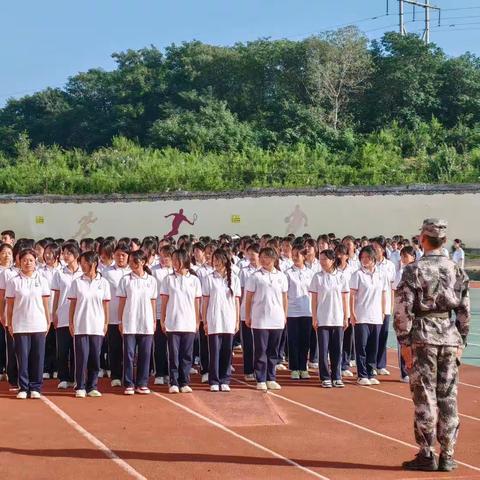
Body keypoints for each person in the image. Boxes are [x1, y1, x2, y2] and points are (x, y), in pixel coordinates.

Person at [394, 219, 470, 472]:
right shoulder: (456, 270)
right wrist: (461, 339)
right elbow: (463, 309)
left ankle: (427, 454)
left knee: (425, 397)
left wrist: (404, 342)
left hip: (423, 338)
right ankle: (448, 454)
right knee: (448, 397)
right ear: (445, 241)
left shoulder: (414, 269)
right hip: (448, 336)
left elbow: (403, 309)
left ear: (422, 239)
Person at [5, 249, 50, 399]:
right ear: (19, 261)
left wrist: (48, 320)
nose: (27, 263)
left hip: (38, 323)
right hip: (20, 325)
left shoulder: (42, 280)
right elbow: (10, 306)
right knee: (22, 357)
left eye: (31, 260)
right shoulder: (14, 281)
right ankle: (23, 387)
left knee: (37, 357)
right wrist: (9, 323)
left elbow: (45, 303)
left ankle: (36, 386)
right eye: (24, 260)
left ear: (35, 261)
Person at [68, 251, 110, 398]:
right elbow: (73, 304)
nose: (82, 265)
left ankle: (92, 386)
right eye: (81, 263)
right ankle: (80, 386)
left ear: (94, 263)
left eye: (85, 262)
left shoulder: (103, 283)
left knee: (95, 357)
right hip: (81, 324)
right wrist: (71, 322)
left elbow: (105, 305)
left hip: (97, 325)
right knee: (81, 357)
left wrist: (106, 322)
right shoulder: (77, 282)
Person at [245, 247, 288, 391]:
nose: (263, 260)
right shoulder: (255, 276)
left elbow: (284, 297)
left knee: (273, 351)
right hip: (260, 319)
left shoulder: (281, 276)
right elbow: (249, 297)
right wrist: (248, 315)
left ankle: (271, 377)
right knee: (261, 350)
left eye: (266, 257)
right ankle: (261, 378)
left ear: (273, 259)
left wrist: (284, 315)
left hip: (277, 318)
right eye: (261, 257)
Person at [160, 249, 202, 394]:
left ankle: (184, 381)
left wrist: (197, 321)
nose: (175, 263)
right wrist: (163, 319)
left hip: (189, 322)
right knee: (173, 354)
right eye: (173, 260)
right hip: (173, 322)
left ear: (185, 260)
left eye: (178, 260)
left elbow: (197, 302)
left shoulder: (194, 280)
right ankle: (174, 382)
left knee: (186, 355)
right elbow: (164, 301)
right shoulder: (168, 279)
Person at [117, 250, 157, 395]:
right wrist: (120, 320)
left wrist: (153, 320)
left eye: (136, 261)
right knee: (129, 354)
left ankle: (142, 382)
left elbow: (153, 301)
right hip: (130, 321)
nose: (133, 264)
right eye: (131, 261)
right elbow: (122, 302)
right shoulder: (126, 280)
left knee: (145, 354)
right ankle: (128, 382)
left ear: (143, 262)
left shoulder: (151, 281)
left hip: (146, 322)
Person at [202, 249, 241, 392]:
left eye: (218, 259)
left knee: (226, 350)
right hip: (214, 319)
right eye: (214, 260)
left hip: (228, 319)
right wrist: (205, 320)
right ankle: (214, 380)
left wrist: (237, 320)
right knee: (214, 351)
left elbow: (236, 301)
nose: (216, 262)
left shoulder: (234, 279)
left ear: (225, 260)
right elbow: (205, 301)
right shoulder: (209, 278)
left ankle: (225, 379)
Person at [310, 250, 349, 388]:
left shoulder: (341, 276)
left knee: (337, 349)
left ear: (332, 260)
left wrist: (346, 316)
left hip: (337, 318)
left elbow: (345, 298)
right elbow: (314, 300)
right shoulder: (317, 277)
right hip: (322, 319)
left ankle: (336, 376)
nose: (321, 262)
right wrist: (314, 317)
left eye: (324, 259)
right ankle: (325, 377)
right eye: (320, 259)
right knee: (323, 349)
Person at [349, 246, 387, 386]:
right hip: (361, 316)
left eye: (367, 257)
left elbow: (384, 294)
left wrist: (383, 311)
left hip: (376, 316)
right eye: (362, 257)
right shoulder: (357, 274)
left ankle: (371, 373)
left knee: (373, 347)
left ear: (373, 259)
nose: (364, 260)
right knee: (362, 346)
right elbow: (352, 295)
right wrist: (352, 313)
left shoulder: (381, 275)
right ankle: (362, 374)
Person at [52, 243, 83, 389]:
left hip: (80, 316)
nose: (65, 256)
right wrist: (54, 313)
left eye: (68, 253)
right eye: (64, 253)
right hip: (63, 315)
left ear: (76, 255)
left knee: (77, 350)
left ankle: (76, 378)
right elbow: (57, 295)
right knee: (63, 350)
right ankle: (63, 378)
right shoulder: (59, 273)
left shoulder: (84, 271)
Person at [102, 244, 130, 387]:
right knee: (114, 347)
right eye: (118, 254)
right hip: (113, 316)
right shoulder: (107, 272)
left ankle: (128, 375)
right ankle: (115, 375)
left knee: (129, 349)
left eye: (123, 255)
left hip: (130, 317)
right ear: (114, 255)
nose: (120, 258)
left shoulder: (133, 271)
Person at [285, 244, 314, 380]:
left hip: (307, 311)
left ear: (304, 256)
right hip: (292, 312)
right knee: (293, 341)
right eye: (294, 254)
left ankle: (303, 367)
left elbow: (314, 293)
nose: (295, 257)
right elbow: (284, 294)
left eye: (298, 255)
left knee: (305, 341)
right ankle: (294, 367)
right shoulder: (288, 273)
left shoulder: (310, 273)